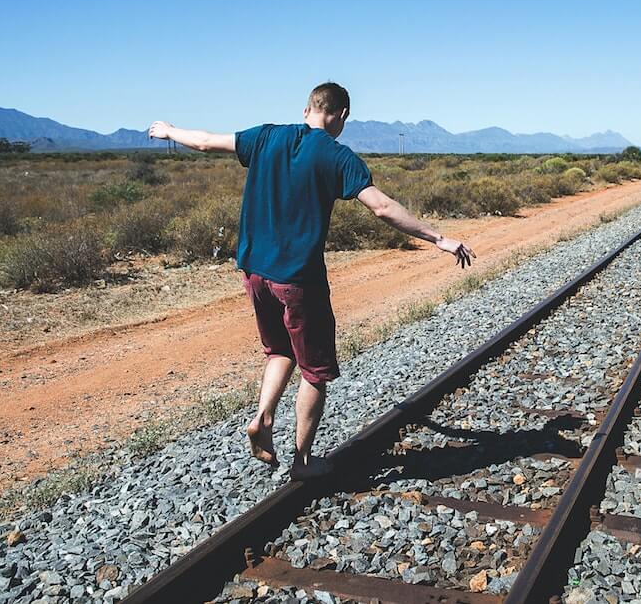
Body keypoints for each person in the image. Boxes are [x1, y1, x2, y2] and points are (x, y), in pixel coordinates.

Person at [148, 82, 475, 479]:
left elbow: (202, 142)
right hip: (299, 279)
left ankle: (263, 419)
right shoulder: (338, 156)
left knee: (278, 351)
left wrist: (168, 130)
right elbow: (383, 208)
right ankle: (303, 462)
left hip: (254, 273)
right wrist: (439, 238)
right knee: (315, 371)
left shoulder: (267, 136)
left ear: (307, 109)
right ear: (341, 115)